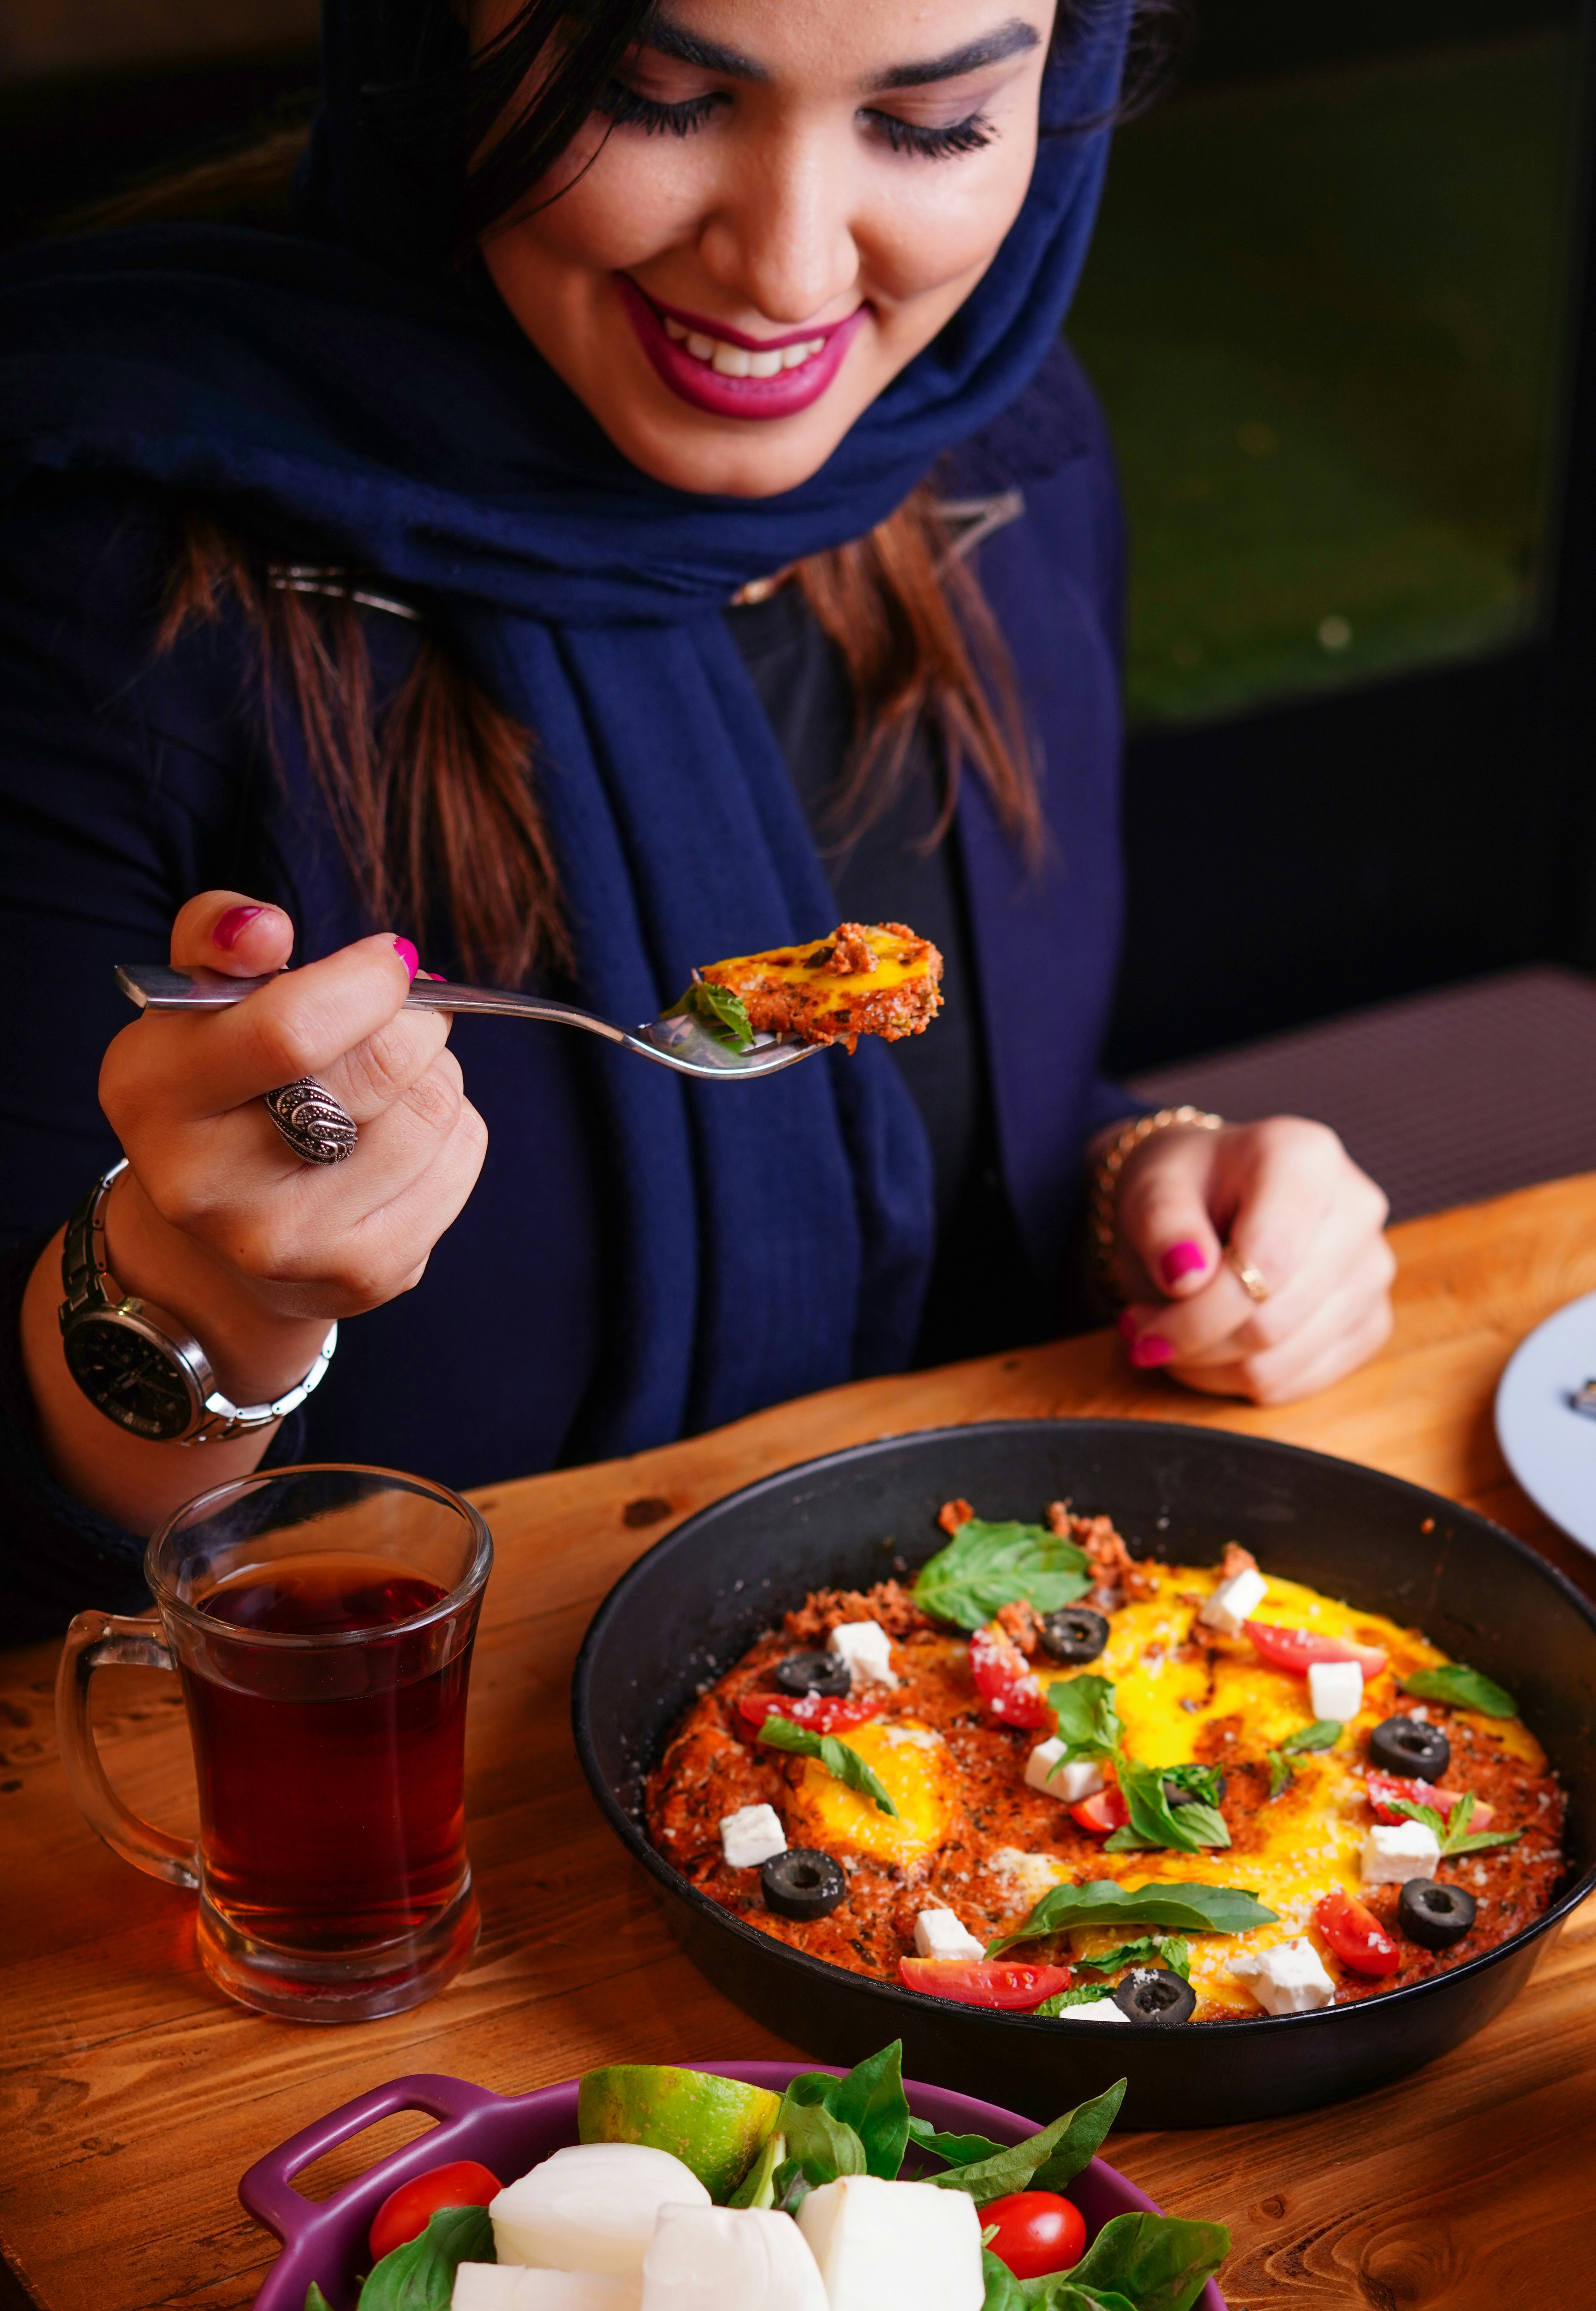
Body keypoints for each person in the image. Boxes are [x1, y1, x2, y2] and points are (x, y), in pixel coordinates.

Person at [0, 0, 1393, 1645]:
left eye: (935, 124)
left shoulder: (995, 454)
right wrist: (194, 1300)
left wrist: (1153, 1188)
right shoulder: (86, 575)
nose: (792, 274)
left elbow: (972, 1138)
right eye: (651, 98)